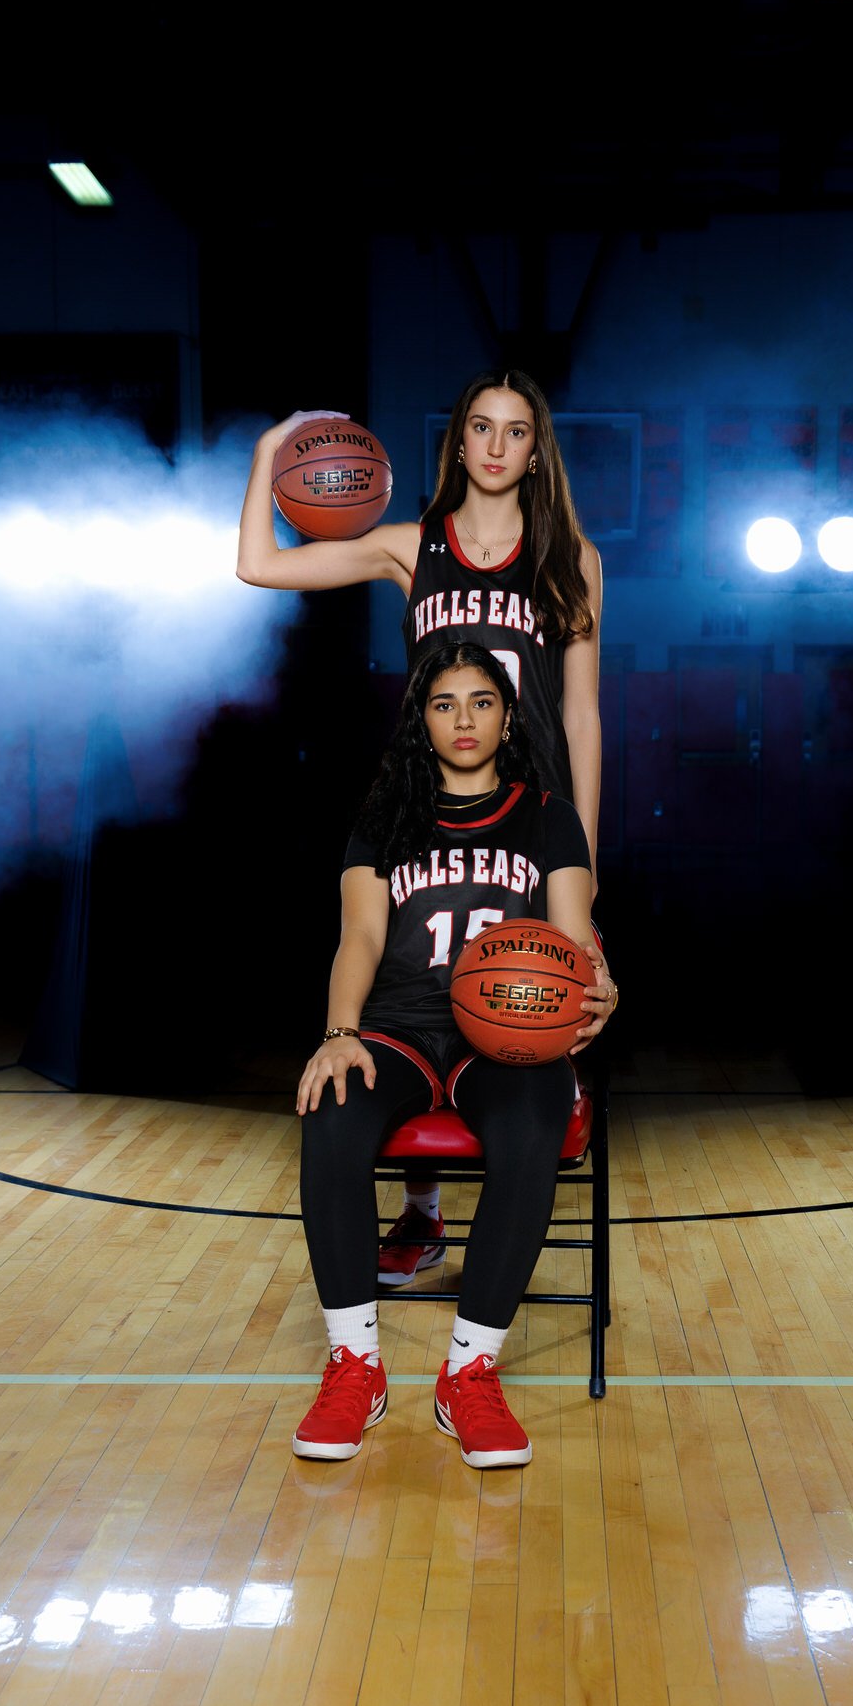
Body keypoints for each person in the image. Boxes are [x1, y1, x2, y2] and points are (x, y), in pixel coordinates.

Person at [237, 368, 603, 1284]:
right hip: (423, 805)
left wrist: (585, 868)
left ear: (534, 451)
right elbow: (260, 565)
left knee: (520, 997)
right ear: (458, 443)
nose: (493, 445)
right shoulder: (411, 546)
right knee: (410, 986)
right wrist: (263, 457)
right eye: (479, 427)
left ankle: (510, 1137)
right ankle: (422, 1205)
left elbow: (584, 713)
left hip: (529, 821)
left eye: (515, 432)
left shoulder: (572, 560)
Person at [291, 642, 615, 1469]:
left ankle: (468, 1372)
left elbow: (574, 936)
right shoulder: (385, 813)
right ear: (421, 719)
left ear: (508, 717)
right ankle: (354, 1367)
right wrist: (338, 1034)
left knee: (534, 1122)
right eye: (444, 704)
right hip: (398, 1022)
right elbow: (360, 934)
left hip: (502, 1029)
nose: (463, 719)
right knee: (330, 1113)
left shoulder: (547, 815)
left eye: (480, 702)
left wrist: (598, 984)